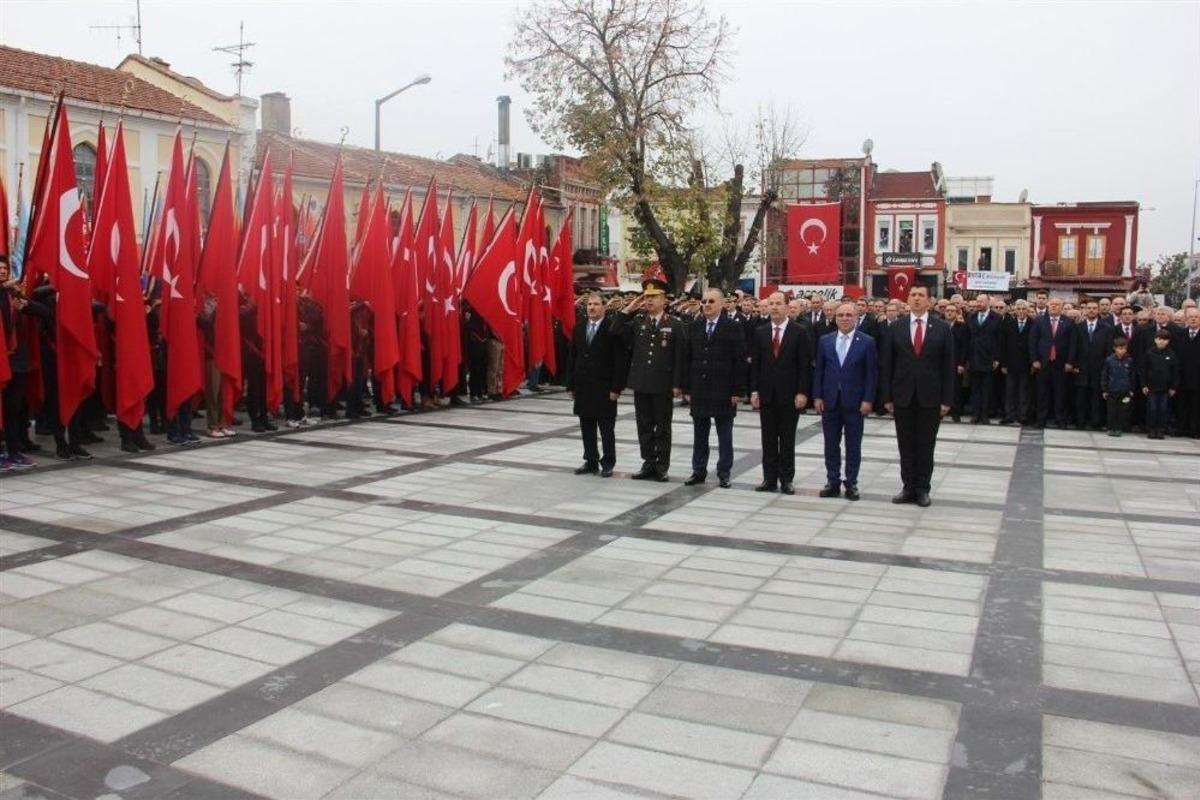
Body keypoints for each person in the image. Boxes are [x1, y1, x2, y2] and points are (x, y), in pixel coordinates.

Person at [879, 284, 955, 507]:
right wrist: (887, 397)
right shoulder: (897, 327)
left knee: (925, 444)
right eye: (913, 295)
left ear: (929, 301)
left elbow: (948, 366)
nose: (917, 299)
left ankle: (923, 488)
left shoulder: (942, 329)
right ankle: (908, 487)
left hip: (931, 397)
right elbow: (887, 365)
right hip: (902, 396)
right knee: (905, 444)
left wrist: (947, 400)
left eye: (921, 295)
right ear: (907, 299)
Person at [611, 275, 684, 481]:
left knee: (662, 426)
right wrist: (627, 309)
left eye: (654, 297)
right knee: (643, 426)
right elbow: (614, 331)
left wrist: (678, 383)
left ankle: (661, 466)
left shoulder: (675, 324)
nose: (649, 301)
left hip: (662, 384)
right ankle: (648, 462)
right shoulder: (638, 322)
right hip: (641, 382)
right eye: (646, 297)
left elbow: (680, 356)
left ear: (664, 300)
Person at [681, 288, 745, 488]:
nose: (706, 305)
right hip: (700, 389)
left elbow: (739, 361)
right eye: (704, 301)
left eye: (711, 301)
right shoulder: (694, 326)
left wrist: (737, 391)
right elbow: (687, 359)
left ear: (721, 304)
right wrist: (687, 389)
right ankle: (698, 470)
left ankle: (724, 472)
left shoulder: (732, 327)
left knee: (724, 434)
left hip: (723, 390)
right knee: (700, 434)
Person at [749, 292, 812, 495]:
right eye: (771, 304)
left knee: (787, 439)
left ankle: (786, 479)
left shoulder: (799, 332)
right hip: (766, 394)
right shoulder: (760, 332)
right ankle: (769, 478)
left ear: (787, 307)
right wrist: (754, 390)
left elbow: (804, 365)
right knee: (767, 439)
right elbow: (755, 365)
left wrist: (802, 392)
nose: (774, 307)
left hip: (789, 394)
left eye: (778, 304)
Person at [813, 302, 877, 501]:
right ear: (835, 318)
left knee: (853, 445)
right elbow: (819, 371)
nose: (844, 318)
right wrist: (817, 396)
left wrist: (868, 399)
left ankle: (851, 482)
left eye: (849, 315)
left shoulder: (866, 342)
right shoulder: (825, 340)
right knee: (831, 444)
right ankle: (832, 480)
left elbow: (871, 374)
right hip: (830, 401)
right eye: (840, 315)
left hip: (855, 402)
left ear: (856, 317)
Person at [566, 292, 628, 477]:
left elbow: (620, 360)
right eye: (589, 305)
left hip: (604, 387)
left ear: (604, 306)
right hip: (584, 386)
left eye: (596, 304)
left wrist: (617, 387)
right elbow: (573, 357)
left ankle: (608, 462)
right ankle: (590, 460)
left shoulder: (612, 327)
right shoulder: (579, 327)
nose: (591, 308)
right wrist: (570, 384)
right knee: (586, 425)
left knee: (606, 428)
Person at [1030, 297, 1075, 428]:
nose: (1054, 307)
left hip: (1061, 364)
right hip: (1043, 363)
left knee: (1060, 393)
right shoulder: (1039, 321)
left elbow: (1073, 344)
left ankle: (1060, 420)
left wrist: (1070, 362)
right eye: (1052, 305)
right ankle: (1041, 420)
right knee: (1042, 393)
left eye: (1057, 305)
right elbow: (1033, 341)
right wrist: (1035, 360)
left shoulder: (1068, 322)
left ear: (1061, 307)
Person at [1072, 300, 1112, 430]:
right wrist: (1074, 364)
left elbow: (1108, 349)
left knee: (1096, 398)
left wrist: (1106, 368)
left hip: (1098, 368)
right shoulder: (1078, 327)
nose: (1091, 310)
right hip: (1081, 368)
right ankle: (1080, 422)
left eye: (1094, 308)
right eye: (1089, 308)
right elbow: (1074, 348)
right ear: (1084, 310)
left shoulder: (1106, 328)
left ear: (1099, 310)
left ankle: (1096, 423)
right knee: (1080, 398)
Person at [966, 293, 1002, 424]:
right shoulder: (971, 316)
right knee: (975, 389)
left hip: (988, 358)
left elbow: (999, 340)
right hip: (974, 357)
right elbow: (967, 338)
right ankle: (975, 414)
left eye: (981, 301)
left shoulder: (996, 318)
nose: (978, 304)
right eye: (977, 301)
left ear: (988, 303)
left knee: (987, 389)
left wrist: (997, 358)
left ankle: (984, 414)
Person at [1140, 329, 1179, 440]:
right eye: (1159, 339)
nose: (1162, 342)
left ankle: (1161, 429)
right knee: (1152, 408)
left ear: (1168, 341)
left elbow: (1175, 372)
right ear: (1155, 340)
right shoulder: (1149, 353)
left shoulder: (1171, 354)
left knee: (1163, 409)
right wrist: (1143, 385)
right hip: (1151, 387)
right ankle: (1151, 429)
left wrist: (1173, 387)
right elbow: (1143, 370)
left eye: (1164, 340)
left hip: (1165, 388)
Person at [1001, 300, 1034, 425]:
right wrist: (1003, 363)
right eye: (1018, 309)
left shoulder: (1033, 323)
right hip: (1011, 363)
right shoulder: (1008, 323)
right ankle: (1009, 414)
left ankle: (1023, 415)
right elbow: (1003, 344)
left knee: (1024, 391)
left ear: (1027, 310)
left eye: (1023, 309)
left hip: (1026, 363)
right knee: (1010, 391)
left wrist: (1033, 363)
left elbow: (1034, 344)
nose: (1021, 311)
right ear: (1015, 310)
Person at [1101, 336, 1136, 436]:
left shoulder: (1129, 360)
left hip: (1125, 390)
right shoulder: (1109, 360)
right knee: (1112, 410)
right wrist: (1105, 389)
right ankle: (1111, 427)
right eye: (1120, 348)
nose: (1122, 351)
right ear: (1115, 348)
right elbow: (1105, 375)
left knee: (1122, 410)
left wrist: (1131, 389)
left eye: (1124, 348)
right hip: (1112, 390)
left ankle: (1119, 428)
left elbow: (1132, 376)